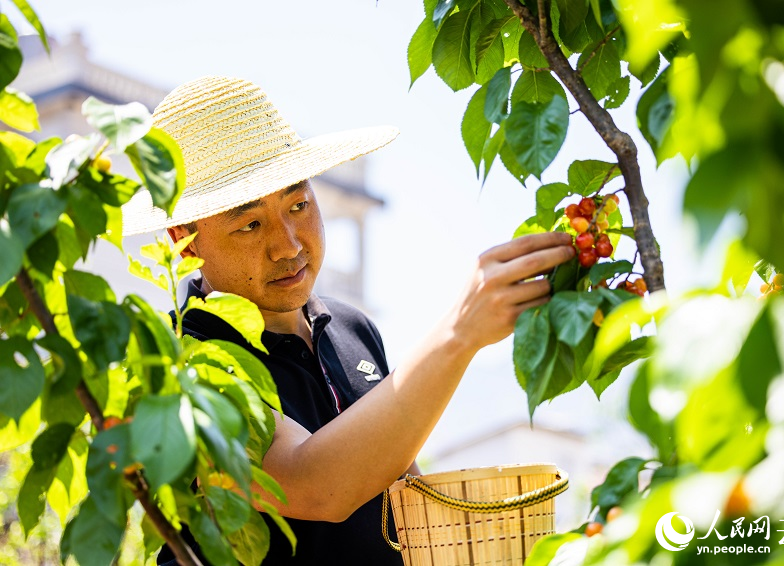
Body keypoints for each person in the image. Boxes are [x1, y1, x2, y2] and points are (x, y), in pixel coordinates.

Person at [122, 76, 575, 565]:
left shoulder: (352, 328)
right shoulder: (180, 362)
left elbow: (409, 503)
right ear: (184, 240)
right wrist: (459, 334)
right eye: (250, 224)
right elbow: (313, 485)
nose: (289, 245)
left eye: (298, 205)